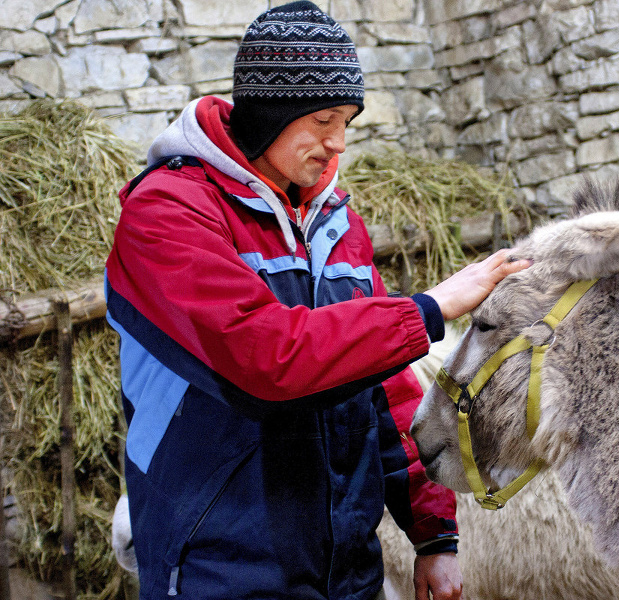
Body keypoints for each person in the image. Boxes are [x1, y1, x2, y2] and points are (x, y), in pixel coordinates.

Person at [104, 2, 529, 599]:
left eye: (348, 122)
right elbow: (266, 360)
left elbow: (385, 388)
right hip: (219, 570)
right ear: (270, 112)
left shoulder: (335, 221)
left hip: (345, 569)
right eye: (324, 118)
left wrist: (433, 536)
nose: (338, 143)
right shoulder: (166, 214)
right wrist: (430, 308)